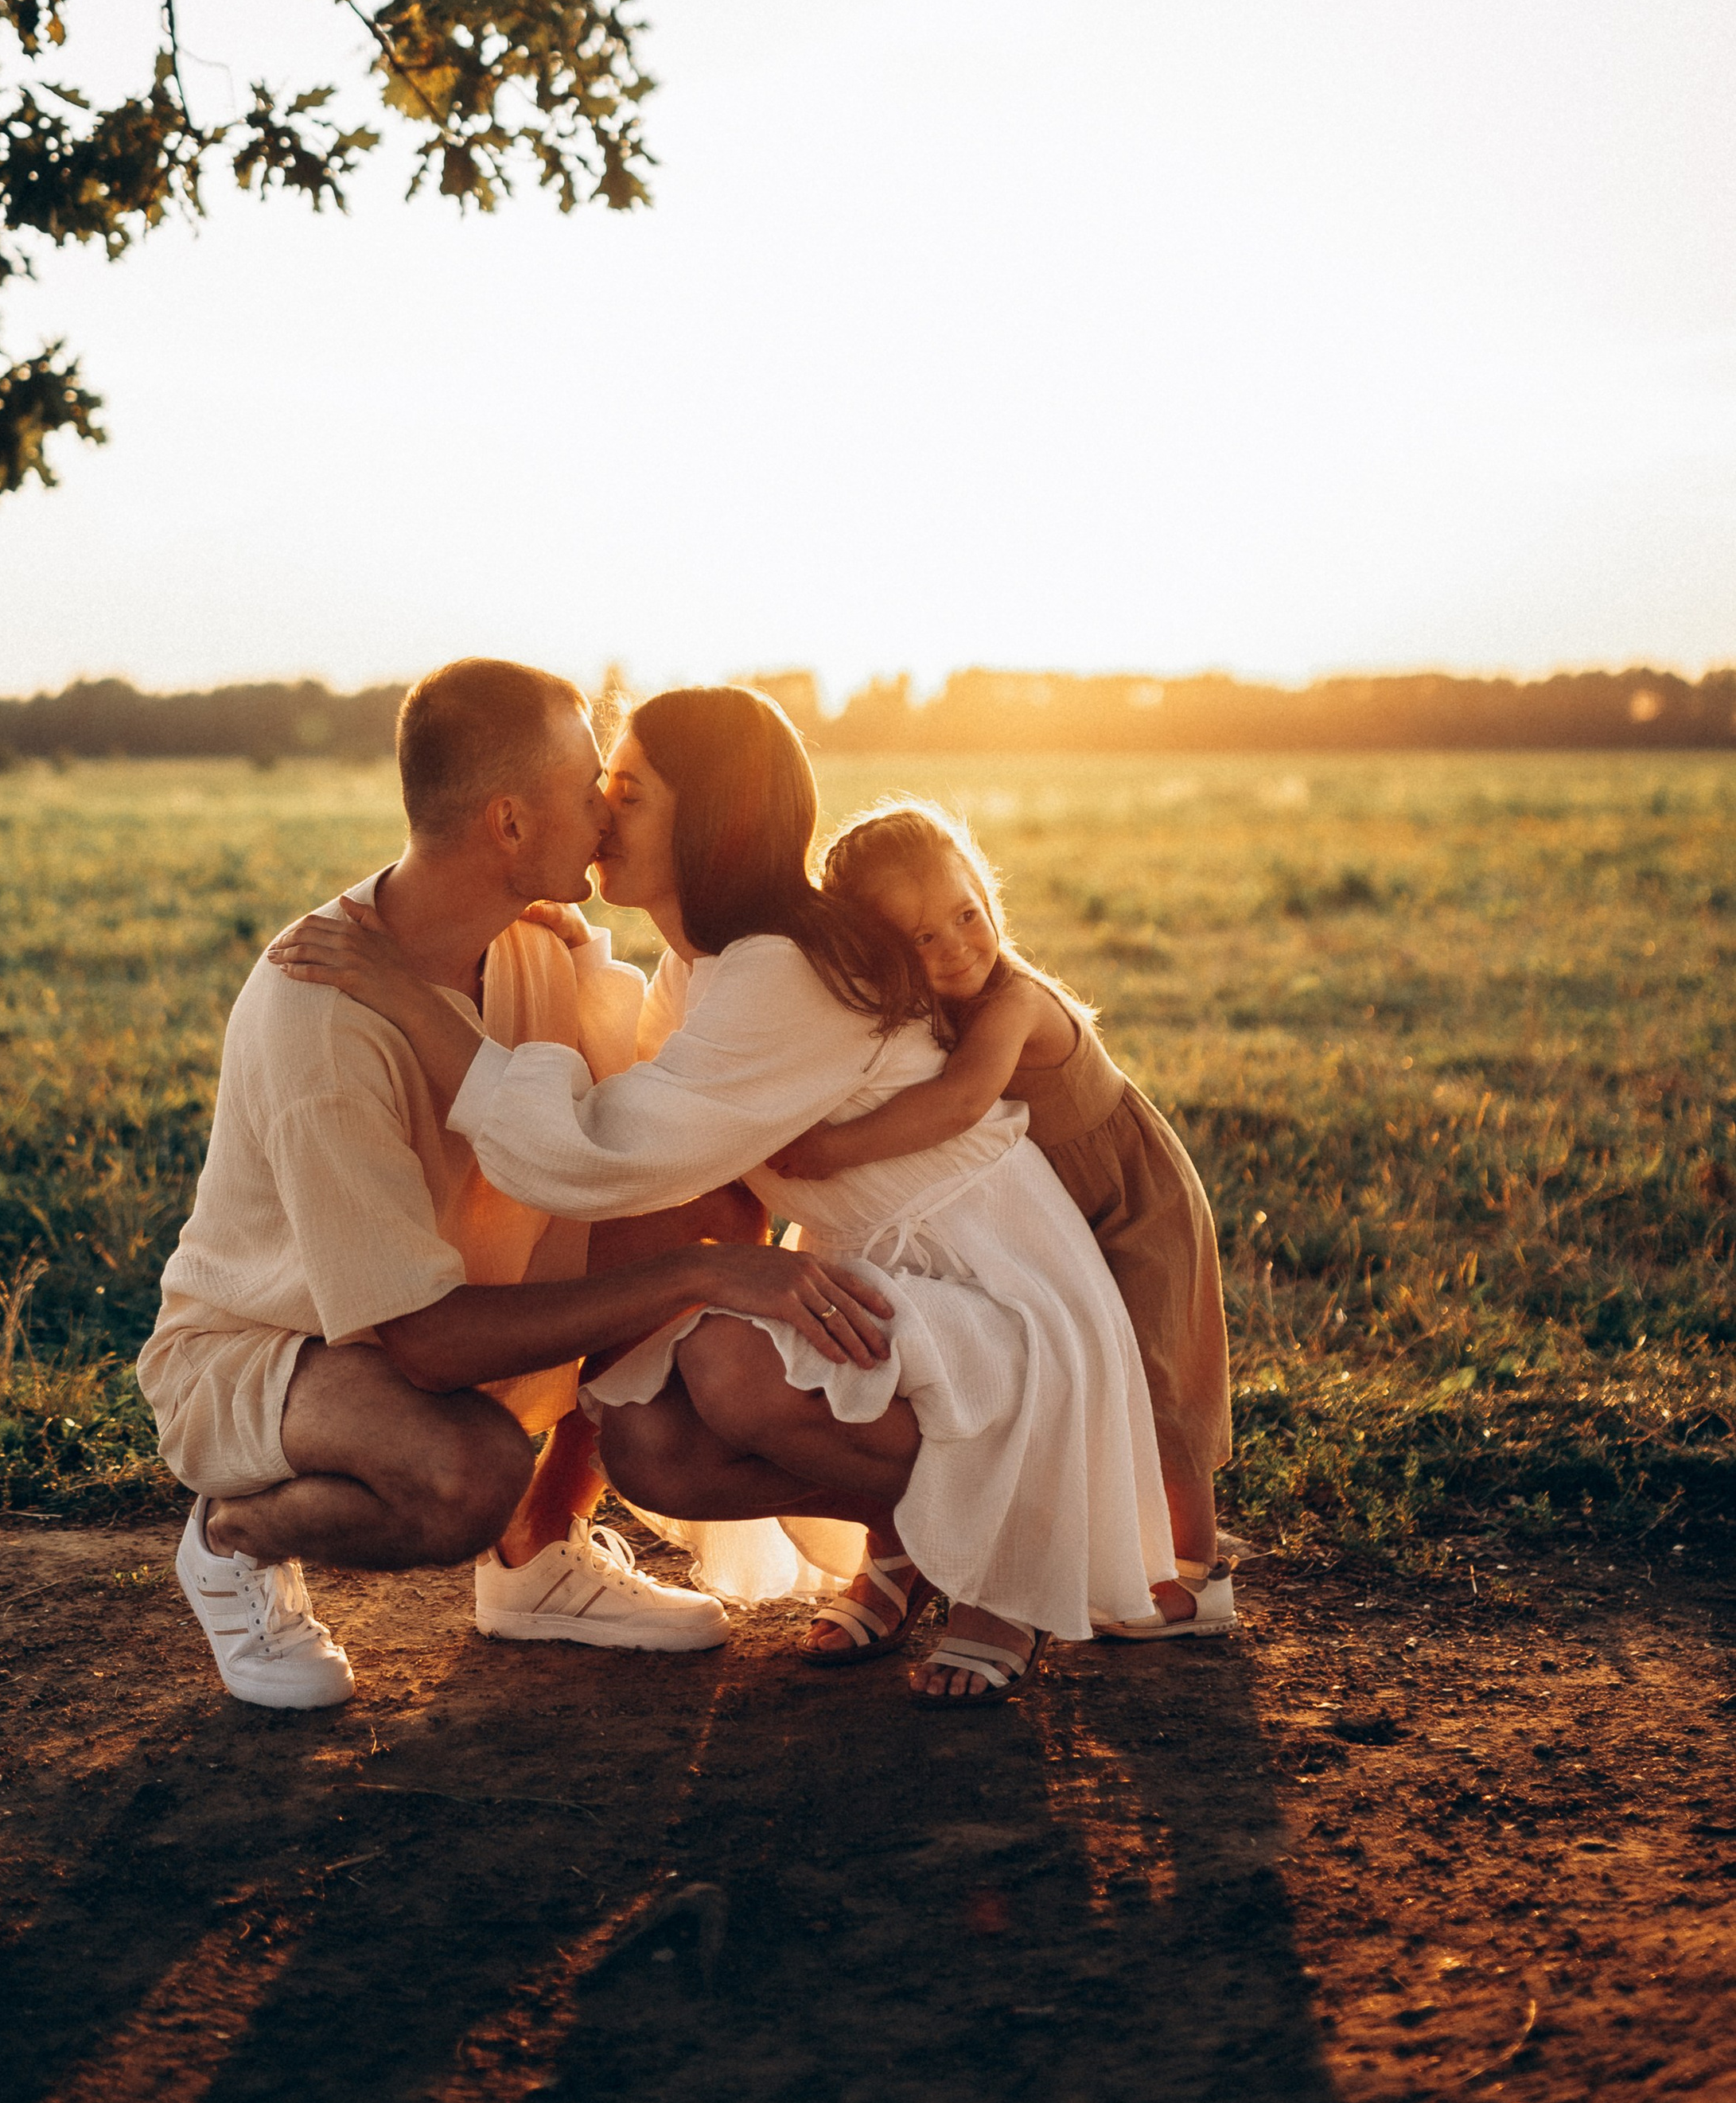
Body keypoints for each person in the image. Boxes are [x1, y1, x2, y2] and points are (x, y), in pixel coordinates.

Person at [269, 686, 1177, 1704]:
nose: (602, 810)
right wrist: (567, 950)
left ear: (711, 818)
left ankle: (1010, 1556)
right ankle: (917, 1532)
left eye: (628, 789)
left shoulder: (788, 968)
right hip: (878, 1261)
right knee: (655, 1449)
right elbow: (662, 1125)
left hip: (984, 1271)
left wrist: (406, 992)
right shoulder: (699, 970)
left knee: (729, 1362)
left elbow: (596, 1148)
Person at [138, 659, 893, 1710]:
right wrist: (701, 1279)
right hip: (281, 1353)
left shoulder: (533, 946)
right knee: (466, 1474)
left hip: (445, 1308)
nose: (605, 811)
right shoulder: (321, 1013)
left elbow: (630, 1145)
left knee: (709, 1199)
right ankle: (233, 1537)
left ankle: (537, 1558)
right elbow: (424, 1342)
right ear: (506, 824)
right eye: (590, 787)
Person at [772, 800, 1236, 1640]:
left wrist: (835, 1148)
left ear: (987, 896)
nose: (954, 944)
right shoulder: (914, 1012)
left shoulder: (1014, 999)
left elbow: (959, 1101)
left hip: (1130, 1199)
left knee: (1158, 1376)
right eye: (920, 938)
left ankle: (1193, 1568)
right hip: (1048, 1212)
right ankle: (929, 1546)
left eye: (965, 914)